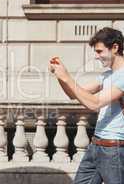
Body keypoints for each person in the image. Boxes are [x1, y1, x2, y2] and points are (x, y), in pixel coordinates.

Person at [49, 27, 124, 184]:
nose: (96, 57)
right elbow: (74, 94)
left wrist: (67, 77)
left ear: (115, 48)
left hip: (114, 149)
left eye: (99, 51)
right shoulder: (107, 75)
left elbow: (94, 103)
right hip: (96, 145)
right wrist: (60, 75)